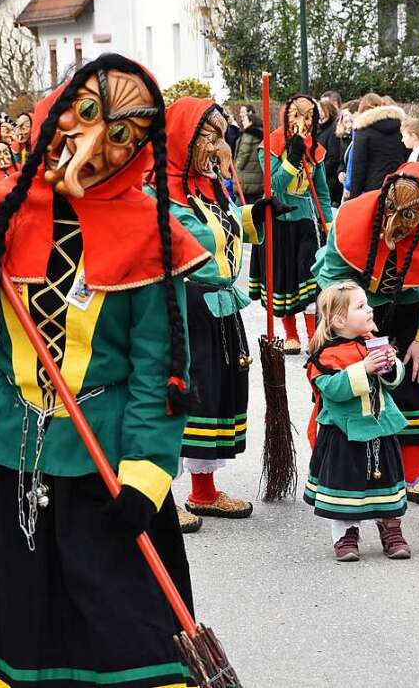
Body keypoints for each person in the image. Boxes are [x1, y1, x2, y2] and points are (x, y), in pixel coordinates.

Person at [0, 54, 205, 688]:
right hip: (6, 461)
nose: (96, 144)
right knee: (5, 636)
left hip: (103, 466)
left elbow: (156, 373)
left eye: (122, 135)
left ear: (140, 150)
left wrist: (144, 479)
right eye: (86, 114)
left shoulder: (152, 234)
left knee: (123, 639)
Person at [158, 97, 284, 532]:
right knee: (182, 398)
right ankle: (159, 497)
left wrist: (256, 216)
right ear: (183, 139)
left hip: (222, 306)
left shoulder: (207, 188)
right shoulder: (159, 196)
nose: (217, 145)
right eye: (206, 136)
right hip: (185, 308)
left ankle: (204, 490)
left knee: (216, 397)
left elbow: (221, 230)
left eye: (219, 134)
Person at [314, 162, 419, 506]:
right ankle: (345, 470)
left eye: (408, 216)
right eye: (391, 210)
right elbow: (332, 277)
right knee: (350, 390)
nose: (395, 224)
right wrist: (350, 327)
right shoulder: (352, 217)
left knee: (418, 388)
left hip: (413, 314)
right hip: (354, 305)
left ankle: (410, 475)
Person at [304, 281, 410, 562]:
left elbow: (393, 381)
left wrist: (391, 365)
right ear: (339, 319)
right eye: (361, 306)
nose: (369, 309)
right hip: (344, 434)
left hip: (380, 428)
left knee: (386, 481)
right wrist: (362, 369)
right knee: (345, 484)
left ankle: (391, 530)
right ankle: (346, 535)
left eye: (367, 304)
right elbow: (332, 390)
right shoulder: (326, 354)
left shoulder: (373, 342)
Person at [248, 94, 334, 354]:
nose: (303, 122)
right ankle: (291, 335)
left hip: (305, 220)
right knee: (283, 280)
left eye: (308, 117)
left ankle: (313, 336)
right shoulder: (270, 146)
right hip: (277, 221)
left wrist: (328, 220)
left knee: (309, 278)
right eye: (297, 116)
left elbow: (321, 189)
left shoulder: (315, 149)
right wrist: (293, 157)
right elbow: (273, 186)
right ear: (286, 117)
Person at [347, 95, 408, 198]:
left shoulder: (363, 130)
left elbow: (359, 167)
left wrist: (354, 197)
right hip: (399, 185)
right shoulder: (399, 127)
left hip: (373, 190)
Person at [234, 104, 264, 204]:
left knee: (240, 210)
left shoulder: (248, 136)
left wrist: (235, 169)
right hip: (257, 180)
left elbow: (242, 156)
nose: (242, 122)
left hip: (245, 182)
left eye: (244, 120)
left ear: (250, 122)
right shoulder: (261, 135)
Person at [318, 97, 345, 204]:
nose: (320, 114)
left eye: (322, 111)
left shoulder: (333, 130)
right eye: (318, 111)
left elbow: (333, 158)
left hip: (328, 181)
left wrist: (318, 173)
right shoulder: (318, 129)